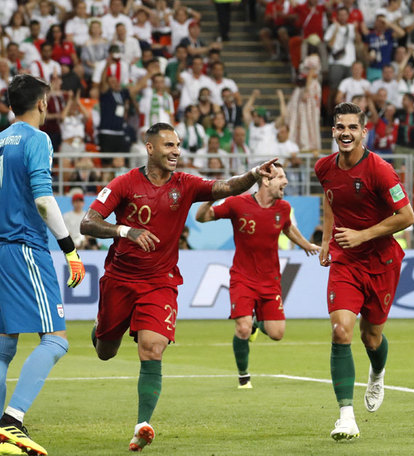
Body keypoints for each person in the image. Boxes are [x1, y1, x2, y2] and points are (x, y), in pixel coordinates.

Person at [79, 122, 278, 451]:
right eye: (169, 145)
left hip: (161, 281)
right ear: (150, 148)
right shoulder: (124, 183)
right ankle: (101, 329)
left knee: (152, 349)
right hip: (121, 279)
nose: (176, 151)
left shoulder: (185, 184)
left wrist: (254, 173)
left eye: (178, 145)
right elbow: (89, 221)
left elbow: (225, 187)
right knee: (105, 352)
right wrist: (123, 231)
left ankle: (142, 424)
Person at [0, 74, 86, 456]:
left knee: (1, 346)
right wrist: (69, 249)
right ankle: (12, 422)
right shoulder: (38, 139)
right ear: (42, 104)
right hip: (26, 249)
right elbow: (43, 200)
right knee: (55, 340)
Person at [315, 102, 414, 440]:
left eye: (352, 128)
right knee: (341, 330)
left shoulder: (381, 171)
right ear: (333, 131)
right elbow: (330, 199)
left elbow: (407, 216)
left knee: (371, 337)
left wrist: (363, 234)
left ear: (363, 132)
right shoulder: (323, 167)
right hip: (345, 261)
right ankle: (346, 416)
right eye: (340, 127)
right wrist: (328, 239)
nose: (346, 133)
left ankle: (377, 371)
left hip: (382, 262)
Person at [195, 162, 319, 388]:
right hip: (242, 277)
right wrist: (213, 196)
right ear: (266, 180)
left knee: (277, 333)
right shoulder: (237, 203)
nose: (286, 182)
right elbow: (201, 217)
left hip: (270, 280)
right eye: (281, 177)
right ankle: (243, 375)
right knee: (241, 328)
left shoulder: (282, 208)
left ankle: (255, 323)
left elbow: (288, 227)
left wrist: (306, 245)